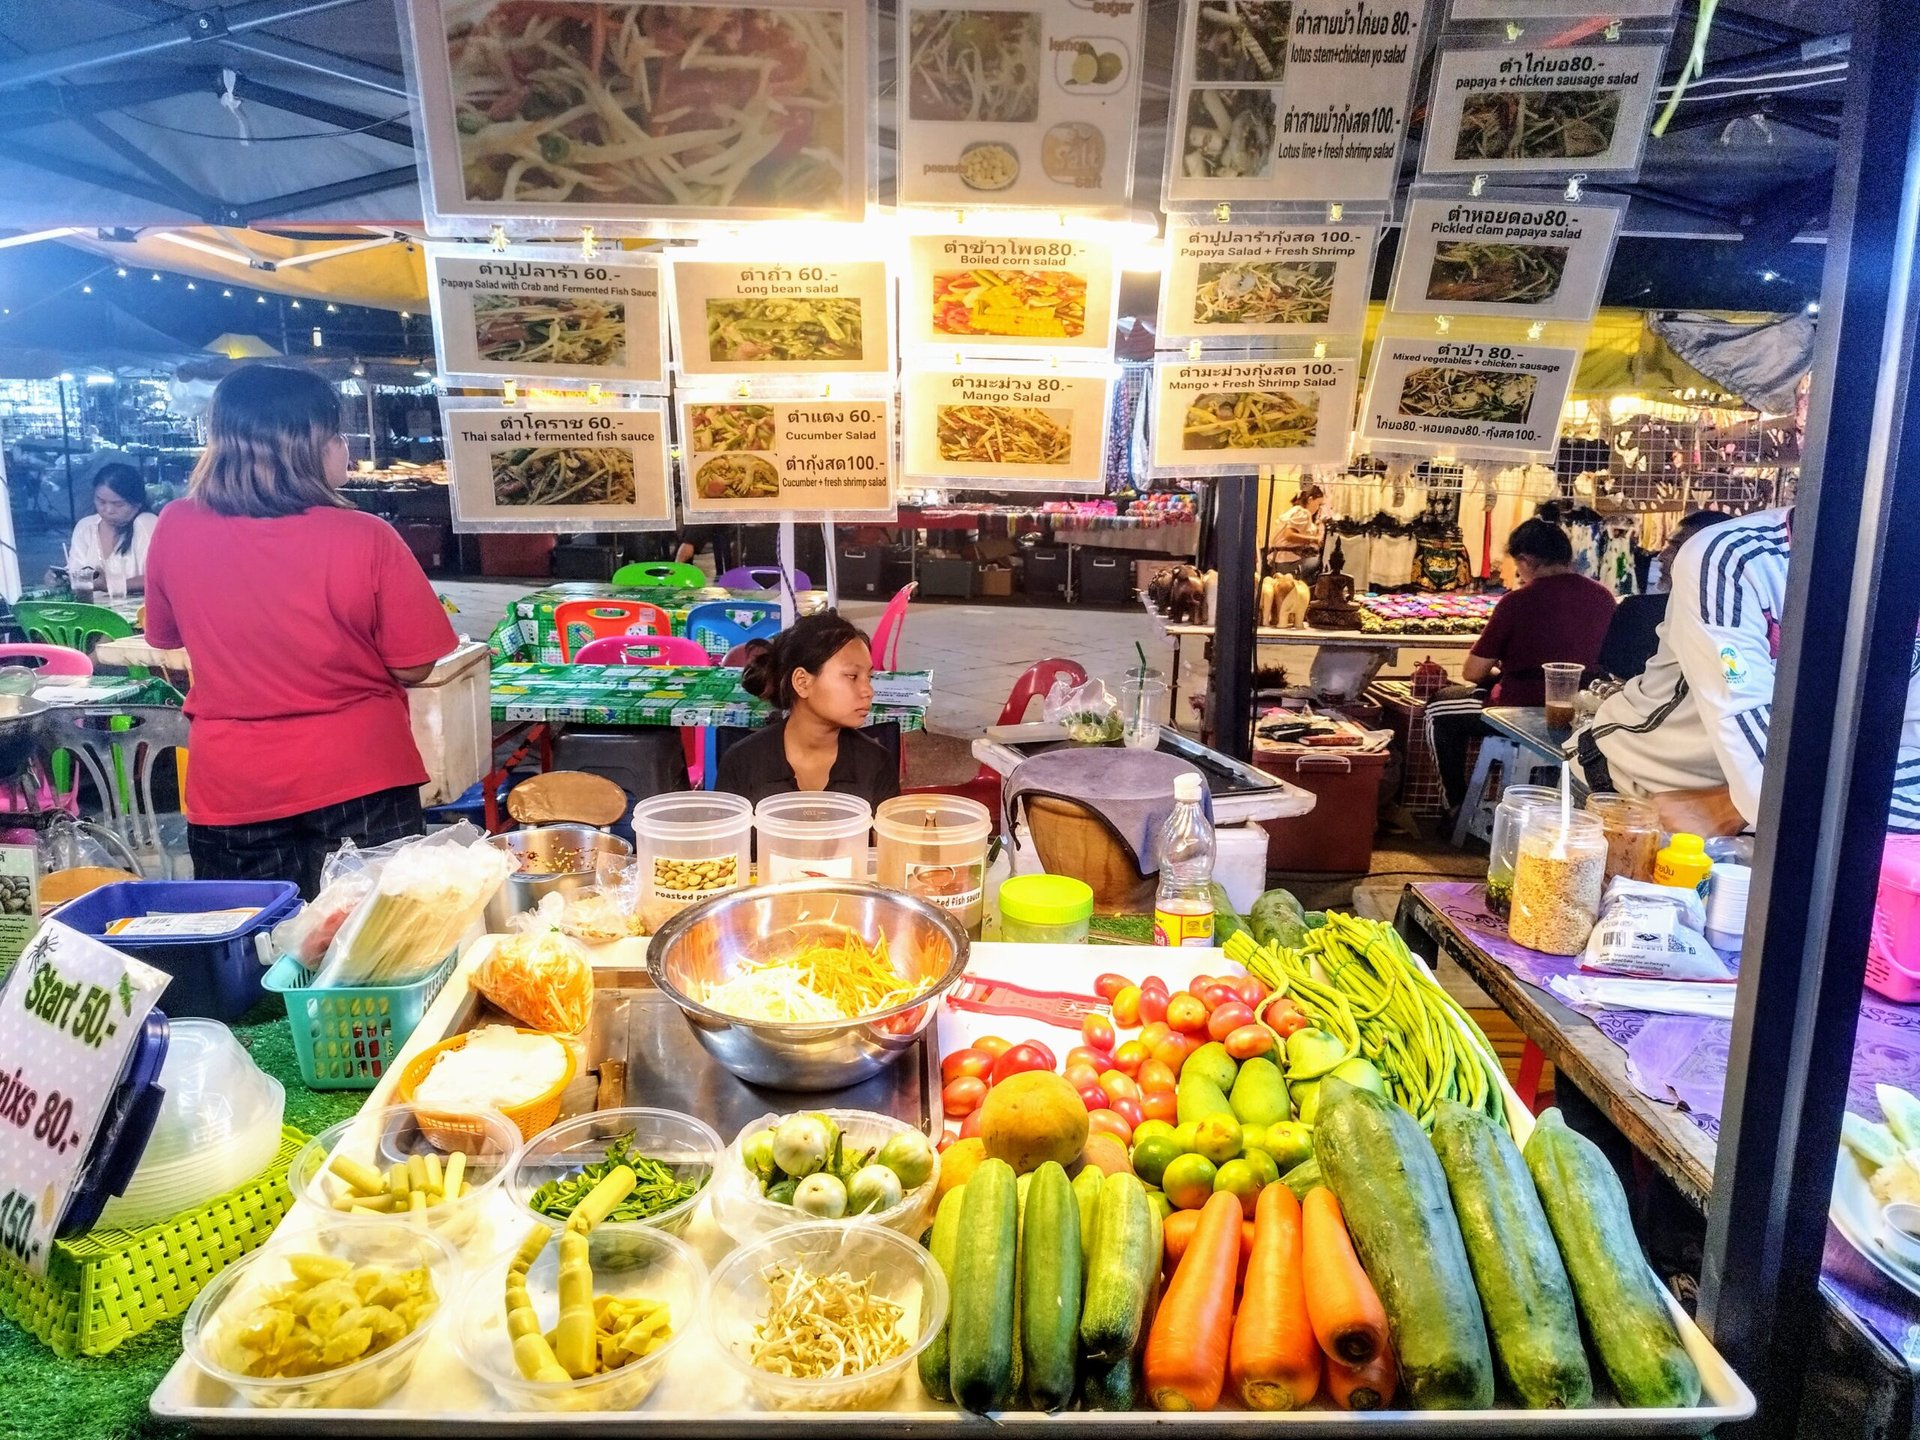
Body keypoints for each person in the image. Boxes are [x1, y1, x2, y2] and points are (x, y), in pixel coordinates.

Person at [144, 365, 457, 896]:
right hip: (361, 773)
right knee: (376, 954)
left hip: (235, 784)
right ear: (307, 444)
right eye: (336, 435)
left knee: (254, 955)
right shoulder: (366, 536)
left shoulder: (175, 524)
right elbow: (414, 663)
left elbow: (165, 637)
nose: (344, 449)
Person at [1585, 506, 1920, 837]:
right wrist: (1760, 800)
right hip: (1632, 799)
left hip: (1755, 829)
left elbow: (1773, 796)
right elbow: (1765, 784)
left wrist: (1730, 807)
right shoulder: (1735, 557)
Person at [1426, 518, 1618, 810]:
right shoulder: (1604, 597)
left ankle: (1456, 806)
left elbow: (1473, 672)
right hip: (1584, 711)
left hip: (1519, 707)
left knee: (1440, 707)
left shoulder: (1517, 602)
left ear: (1526, 561)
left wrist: (1501, 673)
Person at [715, 609, 899, 808]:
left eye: (869, 678)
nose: (868, 691)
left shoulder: (876, 764)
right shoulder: (743, 762)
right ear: (802, 682)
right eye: (852, 676)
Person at [1597, 510, 1734, 681]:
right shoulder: (1637, 612)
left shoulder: (1639, 612)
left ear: (1714, 556)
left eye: (1677, 547)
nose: (1662, 556)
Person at [60, 462, 157, 595]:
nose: (108, 510)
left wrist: (110, 584)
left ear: (137, 503)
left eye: (118, 504)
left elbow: (161, 578)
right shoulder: (85, 527)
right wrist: (62, 579)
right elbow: (75, 572)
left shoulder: (146, 523)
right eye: (101, 501)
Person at [1265, 484, 1327, 581]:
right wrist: (1314, 540)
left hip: (1276, 561)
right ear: (1310, 499)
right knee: (1320, 561)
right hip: (1287, 562)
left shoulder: (1294, 511)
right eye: (1318, 504)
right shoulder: (1303, 513)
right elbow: (1289, 535)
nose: (1318, 508)